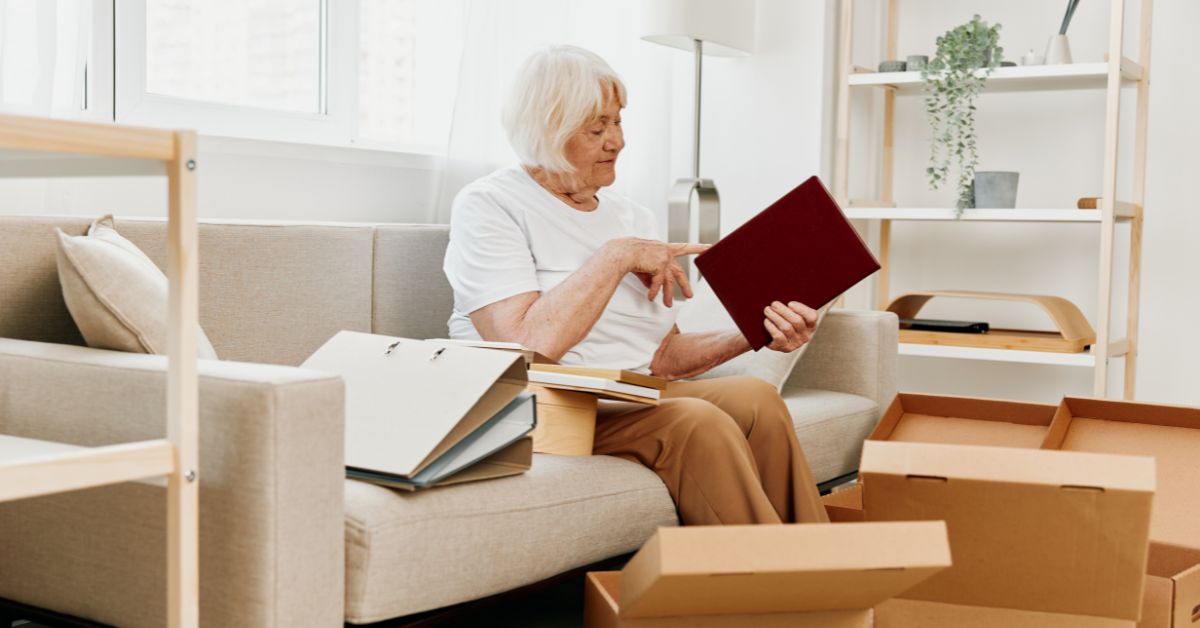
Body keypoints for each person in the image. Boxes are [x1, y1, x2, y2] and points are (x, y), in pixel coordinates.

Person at [443, 45, 828, 525]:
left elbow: (662, 358)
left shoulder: (631, 214)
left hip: (629, 396)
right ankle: (773, 586)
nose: (617, 141)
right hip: (545, 406)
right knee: (696, 423)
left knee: (757, 400)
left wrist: (755, 334)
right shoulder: (491, 204)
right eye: (597, 128)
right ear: (548, 130)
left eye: (618, 122)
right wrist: (616, 256)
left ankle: (821, 565)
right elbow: (524, 346)